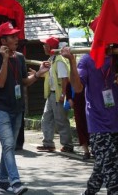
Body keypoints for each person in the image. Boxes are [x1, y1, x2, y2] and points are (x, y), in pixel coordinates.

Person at [0, 22, 49, 195]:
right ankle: (15, 181)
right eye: (12, 36)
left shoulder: (21, 57)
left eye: (16, 36)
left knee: (10, 146)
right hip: (0, 108)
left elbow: (24, 81)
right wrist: (6, 59)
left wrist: (38, 73)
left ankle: (2, 181)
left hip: (17, 107)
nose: (17, 39)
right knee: (8, 144)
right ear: (3, 40)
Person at [61, 21, 118, 195]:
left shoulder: (116, 58)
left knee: (101, 169)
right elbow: (78, 88)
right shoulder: (87, 59)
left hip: (117, 123)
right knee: (112, 172)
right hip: (99, 125)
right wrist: (71, 61)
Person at [36, 37, 73, 153]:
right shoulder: (51, 59)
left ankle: (67, 145)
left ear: (51, 47)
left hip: (58, 94)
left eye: (45, 45)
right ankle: (48, 143)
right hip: (51, 94)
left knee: (61, 120)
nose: (43, 47)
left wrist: (63, 95)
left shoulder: (59, 60)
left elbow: (64, 79)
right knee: (46, 118)